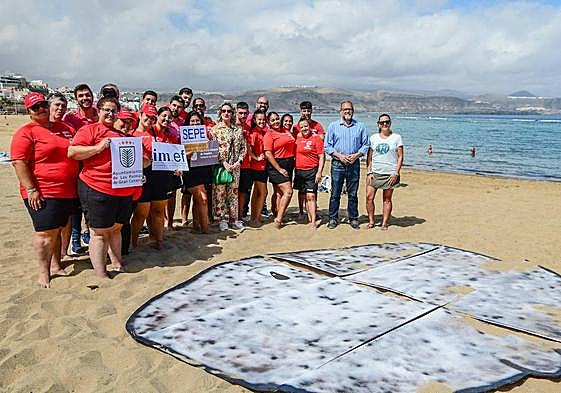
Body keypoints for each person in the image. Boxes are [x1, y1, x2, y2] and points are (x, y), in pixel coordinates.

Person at [11, 92, 80, 288]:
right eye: (35, 107)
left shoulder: (65, 128)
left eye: (42, 105)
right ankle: (44, 273)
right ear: (29, 111)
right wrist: (31, 189)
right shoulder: (26, 132)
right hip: (42, 190)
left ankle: (57, 265)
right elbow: (19, 162)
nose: (40, 109)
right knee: (45, 233)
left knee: (58, 230)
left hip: (67, 190)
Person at [68, 96, 140, 278]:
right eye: (106, 110)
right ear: (98, 111)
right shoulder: (89, 129)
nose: (110, 113)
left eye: (114, 110)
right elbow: (73, 152)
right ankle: (100, 273)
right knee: (99, 233)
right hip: (96, 187)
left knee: (116, 229)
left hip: (123, 190)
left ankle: (117, 264)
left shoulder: (123, 135)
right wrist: (97, 148)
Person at [130, 106, 177, 250]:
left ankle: (158, 240)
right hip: (143, 177)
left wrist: (176, 165)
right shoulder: (131, 134)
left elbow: (171, 150)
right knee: (141, 213)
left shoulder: (158, 131)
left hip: (161, 175)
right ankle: (133, 243)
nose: (149, 120)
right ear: (140, 114)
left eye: (152, 117)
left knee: (158, 211)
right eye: (147, 116)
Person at [47, 92, 83, 257]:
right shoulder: (41, 127)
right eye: (56, 105)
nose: (60, 109)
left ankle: (63, 252)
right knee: (53, 224)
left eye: (63, 106)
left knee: (67, 220)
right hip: (49, 185)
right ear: (49, 106)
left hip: (70, 183)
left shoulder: (69, 129)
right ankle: (54, 258)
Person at [324, 100, 370, 229]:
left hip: (354, 164)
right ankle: (333, 218)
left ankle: (353, 218)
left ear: (353, 111)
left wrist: (356, 155)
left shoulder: (360, 126)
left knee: (353, 193)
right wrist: (340, 156)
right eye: (345, 109)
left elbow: (366, 145)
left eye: (349, 109)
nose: (347, 111)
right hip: (338, 164)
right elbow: (327, 146)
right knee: (335, 193)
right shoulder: (333, 126)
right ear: (341, 112)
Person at [63, 84, 97, 253]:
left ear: (93, 96)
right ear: (76, 99)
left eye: (87, 95)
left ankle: (88, 233)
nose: (85, 98)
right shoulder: (70, 118)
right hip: (77, 165)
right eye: (81, 96)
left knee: (89, 204)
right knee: (76, 204)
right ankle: (76, 239)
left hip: (96, 166)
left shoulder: (99, 115)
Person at [210, 102, 247, 231]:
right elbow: (213, 150)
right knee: (220, 193)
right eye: (224, 111)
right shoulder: (214, 130)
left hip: (235, 167)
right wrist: (223, 162)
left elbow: (243, 147)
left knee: (234, 194)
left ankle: (234, 219)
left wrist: (238, 162)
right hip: (221, 166)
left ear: (232, 113)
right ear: (220, 112)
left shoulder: (238, 129)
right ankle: (222, 219)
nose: (226, 113)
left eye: (229, 111)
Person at [365, 114, 403, 230]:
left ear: (390, 123)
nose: (384, 124)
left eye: (387, 122)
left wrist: (395, 172)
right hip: (375, 173)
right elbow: (369, 157)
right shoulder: (373, 138)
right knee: (369, 198)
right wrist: (369, 172)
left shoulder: (397, 137)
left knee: (387, 199)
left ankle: (384, 223)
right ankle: (371, 221)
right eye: (382, 123)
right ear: (378, 124)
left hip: (390, 174)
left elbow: (400, 156)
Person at [180, 110, 212, 234]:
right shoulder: (182, 136)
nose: (195, 123)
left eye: (197, 121)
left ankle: (196, 224)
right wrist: (190, 152)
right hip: (191, 170)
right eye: (192, 121)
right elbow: (181, 155)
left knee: (198, 199)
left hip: (203, 168)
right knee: (202, 198)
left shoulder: (206, 134)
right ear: (188, 123)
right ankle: (205, 230)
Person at [264, 112, 295, 228]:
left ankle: (276, 213)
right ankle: (279, 219)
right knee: (288, 191)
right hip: (276, 165)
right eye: (273, 120)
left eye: (277, 119)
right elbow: (268, 153)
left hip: (289, 163)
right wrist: (279, 168)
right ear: (269, 122)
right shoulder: (269, 134)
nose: (276, 122)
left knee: (278, 193)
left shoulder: (285, 131)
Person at [294, 119, 325, 229]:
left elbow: (321, 156)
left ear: (310, 126)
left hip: (312, 170)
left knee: (310, 196)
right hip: (299, 171)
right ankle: (302, 212)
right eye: (302, 127)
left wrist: (319, 172)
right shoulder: (297, 137)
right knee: (302, 194)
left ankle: (312, 221)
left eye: (306, 126)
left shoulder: (316, 138)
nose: (304, 129)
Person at [165, 95, 185, 231]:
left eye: (179, 107)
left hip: (176, 162)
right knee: (162, 196)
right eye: (174, 105)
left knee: (172, 194)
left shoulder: (183, 123)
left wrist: (180, 164)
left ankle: (170, 222)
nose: (176, 108)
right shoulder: (163, 119)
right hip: (162, 161)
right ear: (169, 105)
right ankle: (164, 221)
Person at [248, 110, 268, 226]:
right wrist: (256, 158)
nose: (262, 121)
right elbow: (248, 148)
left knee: (256, 192)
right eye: (259, 119)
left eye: (263, 119)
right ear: (255, 120)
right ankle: (256, 218)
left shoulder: (263, 132)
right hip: (257, 167)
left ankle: (254, 215)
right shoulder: (254, 133)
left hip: (262, 166)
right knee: (263, 192)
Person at [235, 102, 252, 221]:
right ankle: (231, 216)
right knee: (231, 193)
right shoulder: (230, 126)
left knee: (242, 193)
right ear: (236, 112)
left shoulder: (248, 127)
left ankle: (240, 216)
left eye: (245, 113)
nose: (243, 116)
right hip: (232, 165)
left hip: (245, 165)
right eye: (240, 113)